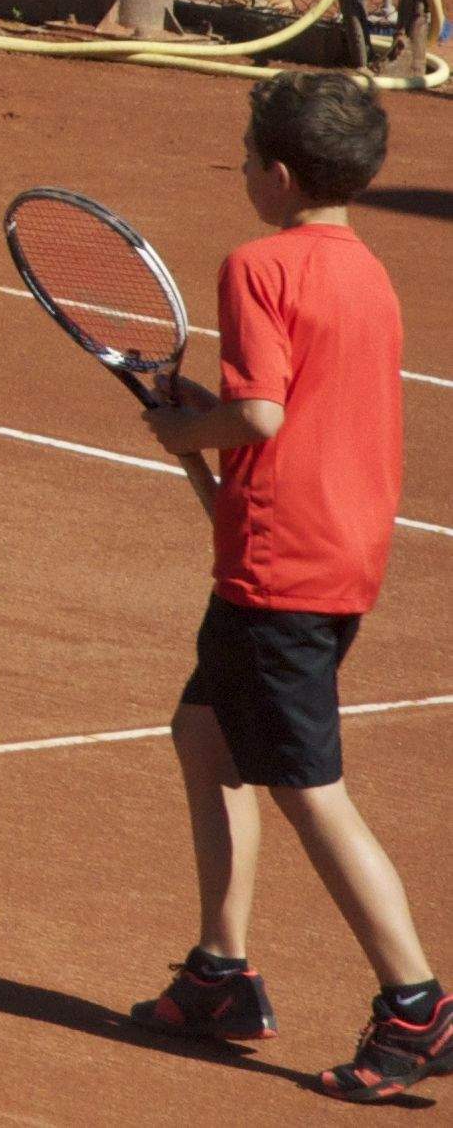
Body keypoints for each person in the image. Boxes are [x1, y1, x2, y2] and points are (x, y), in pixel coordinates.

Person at [126, 72, 441, 1103]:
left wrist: (189, 428)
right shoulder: (370, 275)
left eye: (246, 155)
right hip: (340, 551)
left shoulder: (257, 266)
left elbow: (255, 418)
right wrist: (196, 426)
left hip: (282, 568)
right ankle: (221, 972)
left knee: (309, 792)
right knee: (203, 733)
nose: (241, 170)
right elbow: (292, 418)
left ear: (278, 174)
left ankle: (415, 1004)